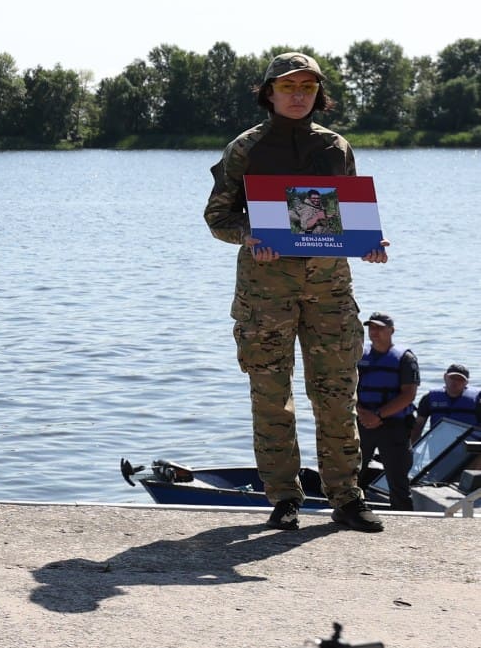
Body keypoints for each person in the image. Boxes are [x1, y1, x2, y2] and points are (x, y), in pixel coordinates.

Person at [205, 52, 391, 533]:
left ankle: (347, 499)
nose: (297, 95)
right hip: (265, 294)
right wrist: (250, 234)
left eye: (306, 87)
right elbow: (218, 219)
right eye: (287, 87)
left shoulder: (336, 147)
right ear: (269, 93)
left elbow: (345, 215)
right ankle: (285, 498)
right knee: (271, 396)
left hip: (329, 292)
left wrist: (370, 243)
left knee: (336, 396)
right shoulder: (245, 148)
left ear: (317, 94)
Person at [354, 312, 419, 512]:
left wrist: (379, 415)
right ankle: (351, 511)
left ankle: (404, 519)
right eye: (371, 327)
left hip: (394, 426)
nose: (375, 332)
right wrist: (362, 413)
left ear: (391, 330)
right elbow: (348, 388)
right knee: (351, 475)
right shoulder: (358, 355)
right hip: (362, 423)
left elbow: (408, 394)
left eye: (380, 328)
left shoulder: (405, 358)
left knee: (398, 480)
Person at [414, 363, 478, 437]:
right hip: (439, 445)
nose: (455, 382)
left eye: (460, 379)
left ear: (466, 383)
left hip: (469, 446)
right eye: (452, 378)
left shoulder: (477, 401)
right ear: (445, 377)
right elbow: (418, 426)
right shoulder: (429, 398)